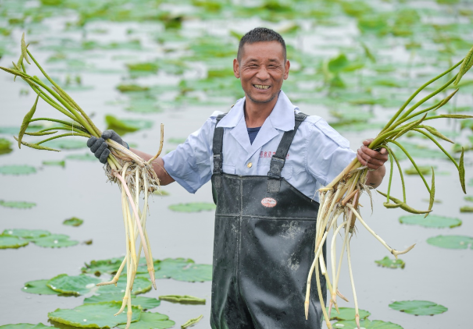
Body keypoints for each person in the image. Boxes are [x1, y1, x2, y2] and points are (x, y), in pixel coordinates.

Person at [88, 27, 388, 329]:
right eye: (253, 65)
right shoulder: (218, 129)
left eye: (272, 65)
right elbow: (163, 172)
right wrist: (121, 153)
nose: (263, 75)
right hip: (228, 305)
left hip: (290, 309)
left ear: (286, 70)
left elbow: (364, 179)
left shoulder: (309, 134)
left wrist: (374, 165)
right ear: (236, 68)